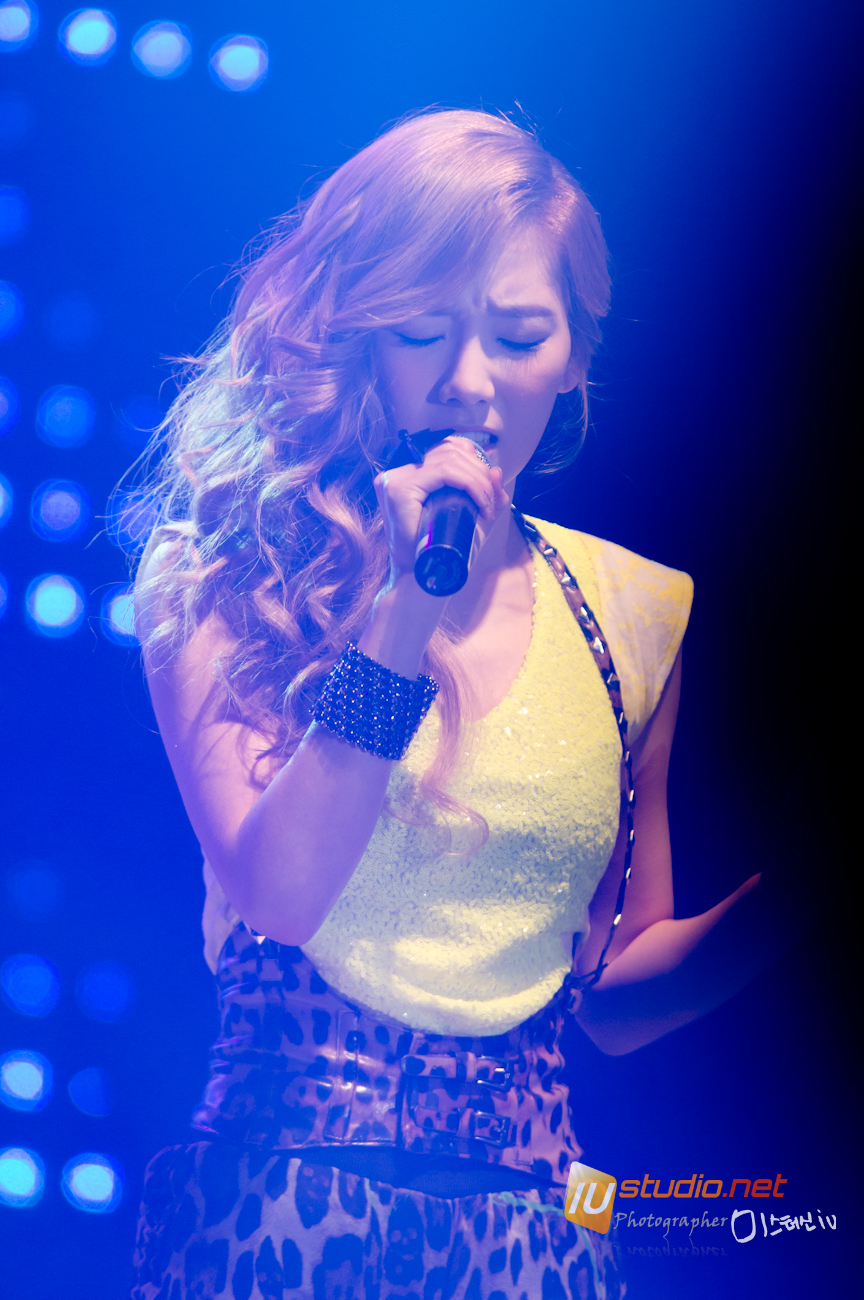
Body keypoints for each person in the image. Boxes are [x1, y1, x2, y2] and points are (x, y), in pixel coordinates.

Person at [130, 109, 766, 1300]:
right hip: (283, 1211)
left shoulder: (634, 612)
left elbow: (614, 984)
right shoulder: (225, 574)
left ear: (574, 357)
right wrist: (404, 614)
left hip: (537, 1231)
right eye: (423, 332)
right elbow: (281, 893)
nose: (471, 385)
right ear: (358, 335)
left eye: (519, 337)